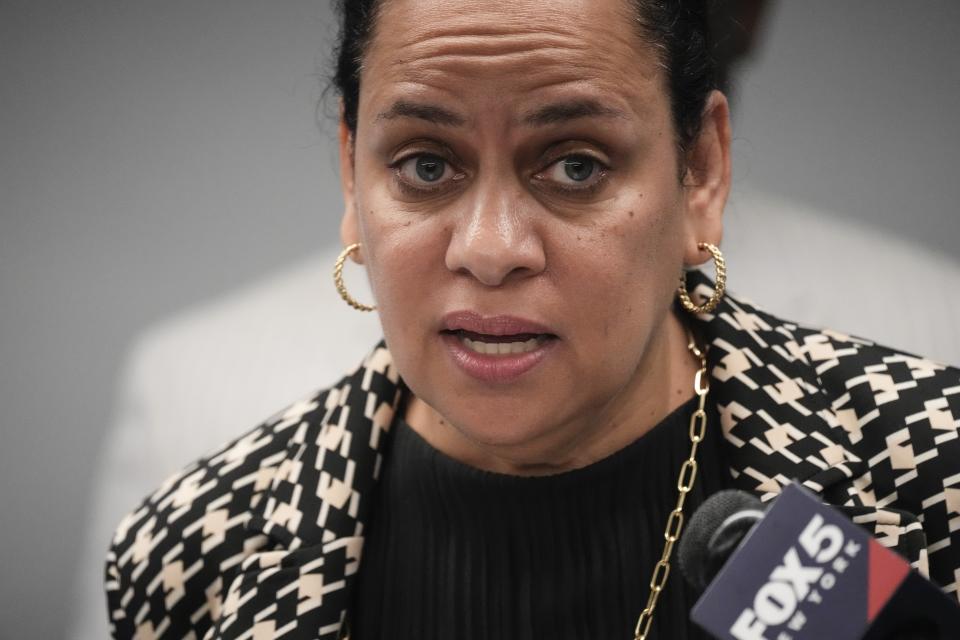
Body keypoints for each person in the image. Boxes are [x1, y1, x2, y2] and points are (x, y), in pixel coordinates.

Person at [104, 1, 960, 639]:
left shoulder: (933, 474)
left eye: (576, 164)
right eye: (426, 164)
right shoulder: (193, 555)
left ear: (700, 171)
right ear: (349, 175)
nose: (490, 249)